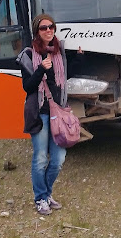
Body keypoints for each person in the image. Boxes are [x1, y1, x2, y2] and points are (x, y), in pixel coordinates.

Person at [16, 14, 84, 215]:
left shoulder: (60, 53)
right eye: (44, 27)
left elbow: (67, 75)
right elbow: (27, 87)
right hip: (39, 113)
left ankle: (46, 194)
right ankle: (40, 198)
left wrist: (80, 58)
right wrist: (39, 70)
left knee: (58, 159)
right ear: (37, 31)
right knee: (40, 159)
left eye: (51, 27)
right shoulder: (28, 55)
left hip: (59, 113)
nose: (48, 30)